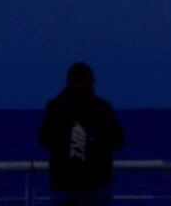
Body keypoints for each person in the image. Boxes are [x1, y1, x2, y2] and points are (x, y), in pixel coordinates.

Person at [38, 62, 125, 206]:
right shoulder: (102, 108)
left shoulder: (55, 107)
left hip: (65, 182)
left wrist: (64, 143)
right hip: (95, 182)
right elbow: (118, 140)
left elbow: (44, 139)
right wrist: (96, 144)